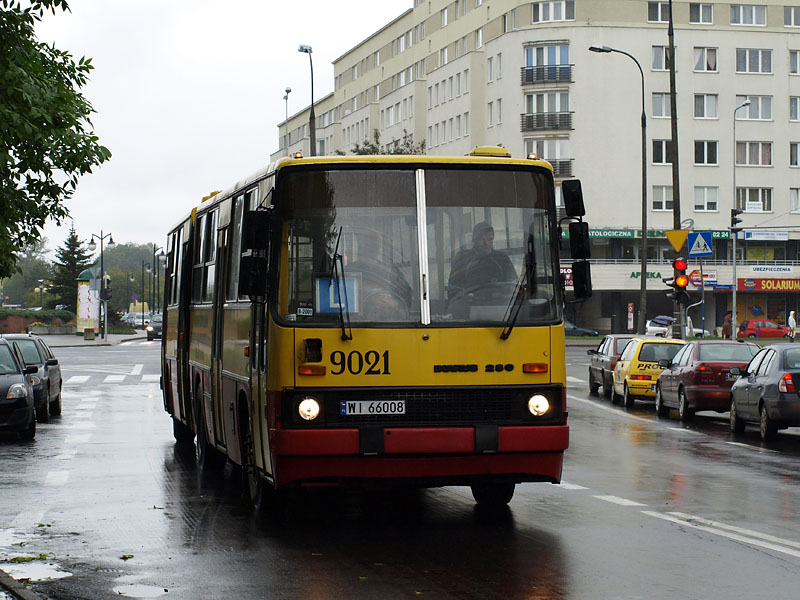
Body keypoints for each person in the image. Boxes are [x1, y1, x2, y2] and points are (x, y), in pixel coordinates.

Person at [448, 221, 517, 299]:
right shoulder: (463, 258)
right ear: (473, 239)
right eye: (481, 239)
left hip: (499, 306)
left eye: (489, 239)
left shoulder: (502, 259)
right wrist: (466, 295)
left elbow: (513, 285)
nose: (486, 243)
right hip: (468, 305)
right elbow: (453, 287)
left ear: (493, 239)